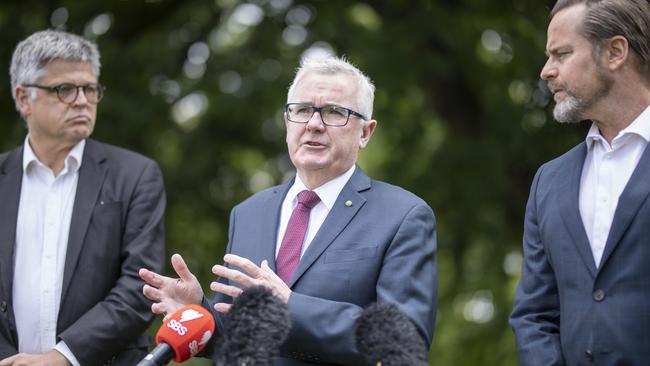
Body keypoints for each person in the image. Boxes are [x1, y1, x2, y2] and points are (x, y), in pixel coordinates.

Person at [140, 56, 437, 365]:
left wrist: (290, 305)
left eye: (335, 112)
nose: (313, 124)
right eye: (303, 110)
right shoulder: (249, 213)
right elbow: (239, 336)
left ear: (365, 132)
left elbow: (404, 341)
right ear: (287, 122)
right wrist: (200, 312)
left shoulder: (402, 215)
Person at [0, 30, 166, 366]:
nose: (81, 100)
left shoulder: (135, 175)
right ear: (23, 98)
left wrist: (63, 356)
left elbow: (140, 285)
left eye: (89, 89)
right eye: (64, 89)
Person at [510, 0, 650, 365]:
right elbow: (534, 315)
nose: (545, 71)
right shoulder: (548, 181)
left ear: (616, 52)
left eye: (562, 54)